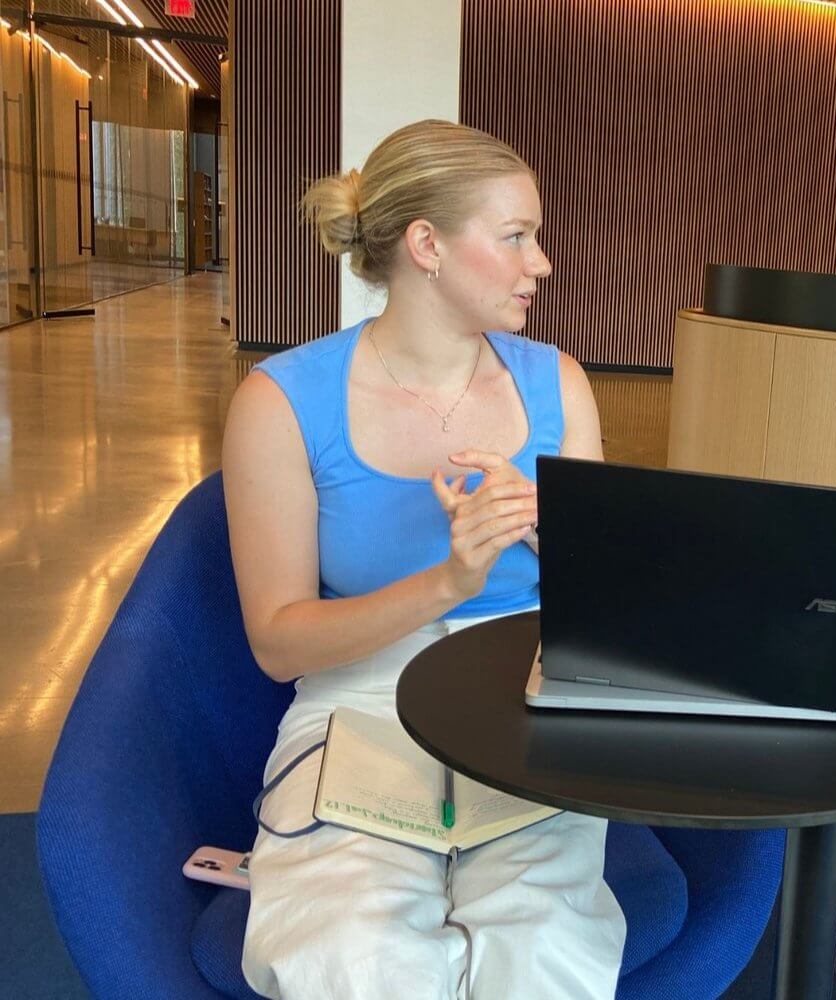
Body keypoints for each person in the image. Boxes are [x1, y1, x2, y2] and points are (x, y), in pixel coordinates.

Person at [223, 119, 625, 999]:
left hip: (529, 694)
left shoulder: (557, 380)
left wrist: (542, 532)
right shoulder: (281, 401)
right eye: (517, 236)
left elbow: (612, 601)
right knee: (356, 957)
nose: (542, 263)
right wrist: (449, 581)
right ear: (427, 245)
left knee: (544, 952)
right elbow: (279, 645)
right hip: (362, 700)